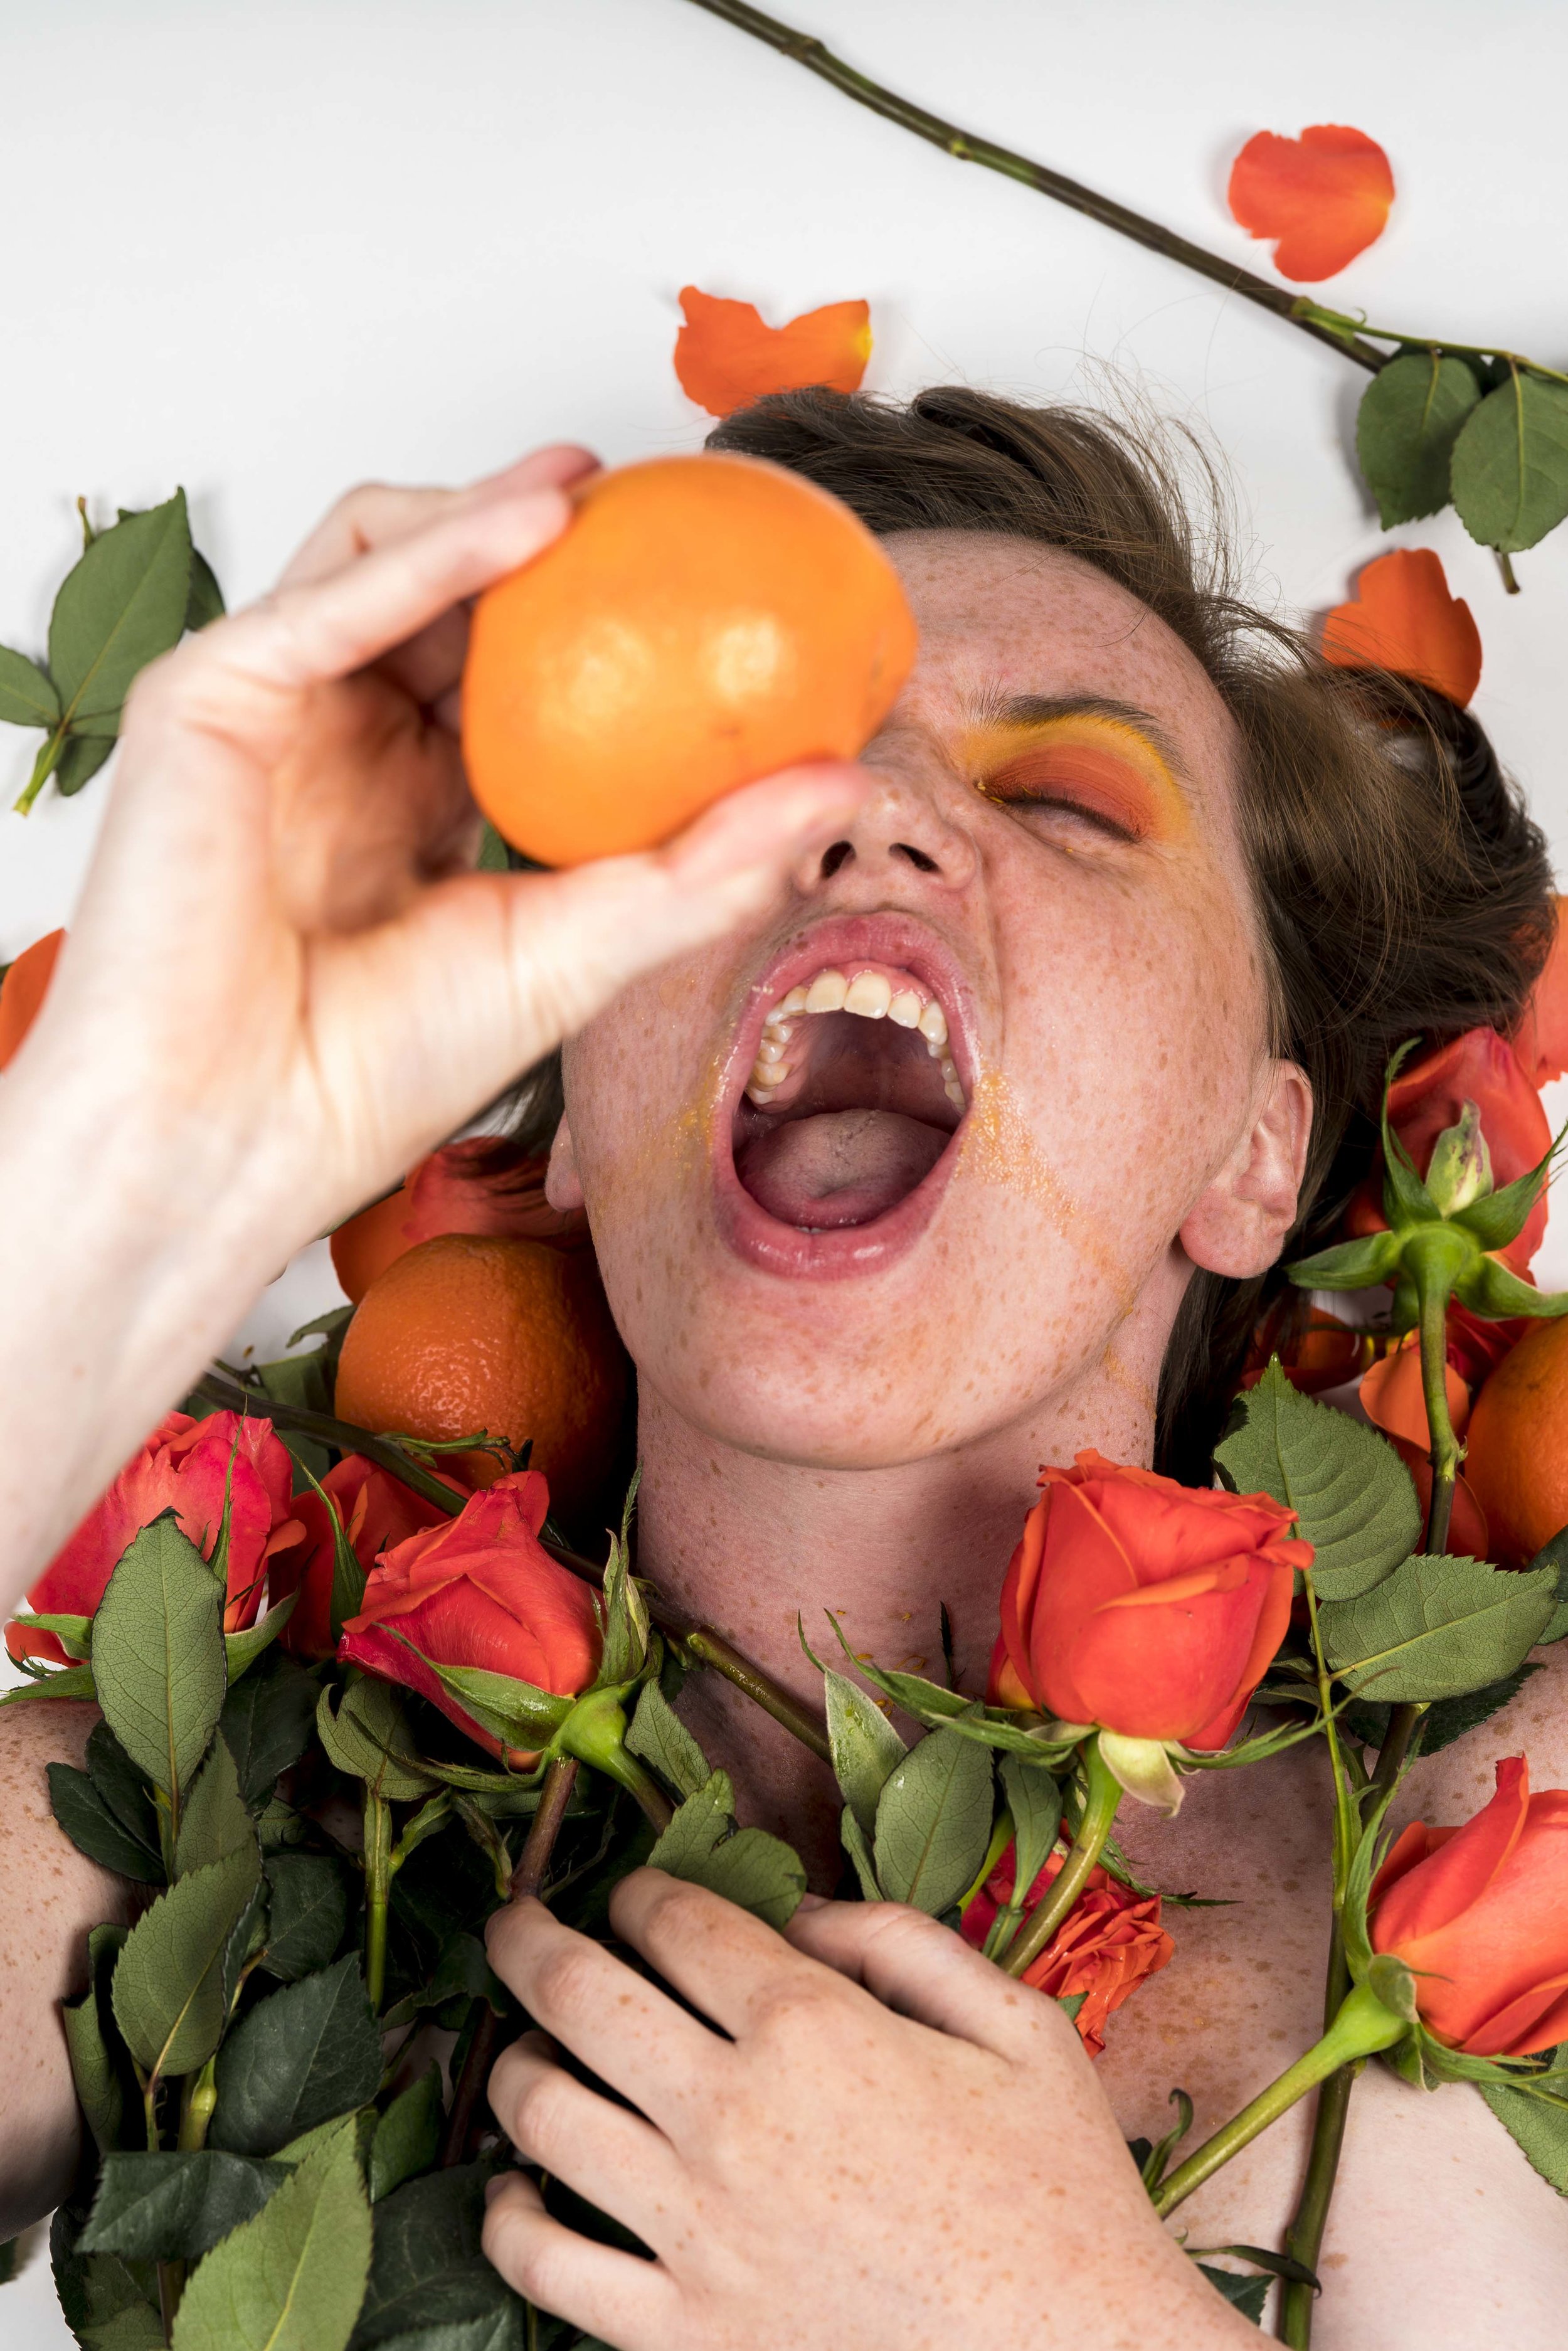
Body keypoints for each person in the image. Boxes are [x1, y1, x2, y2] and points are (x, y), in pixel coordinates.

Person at [1, 390, 1564, 2351]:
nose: (863, 817)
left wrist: (1044, 2318)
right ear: (573, 1108)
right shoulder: (163, 1827)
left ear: (1254, 1149)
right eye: (743, 793)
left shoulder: (1501, 1835)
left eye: (1068, 804)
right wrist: (132, 1160)